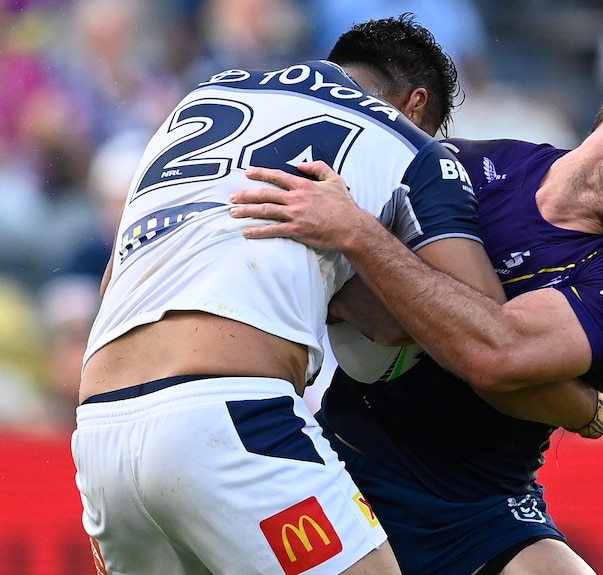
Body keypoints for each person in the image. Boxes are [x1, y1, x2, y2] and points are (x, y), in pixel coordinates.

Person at [229, 55, 603, 575]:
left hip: (481, 512)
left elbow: (496, 356)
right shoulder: (468, 166)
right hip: (342, 463)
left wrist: (363, 240)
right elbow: (356, 301)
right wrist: (581, 404)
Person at [72, 15, 507, 575]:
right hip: (231, 419)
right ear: (418, 104)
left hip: (100, 437)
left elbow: (116, 282)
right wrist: (362, 241)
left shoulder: (198, 102)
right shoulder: (413, 145)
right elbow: (484, 332)